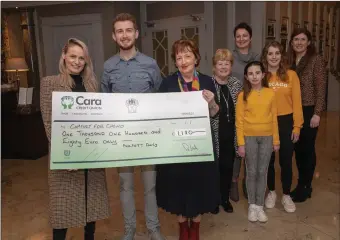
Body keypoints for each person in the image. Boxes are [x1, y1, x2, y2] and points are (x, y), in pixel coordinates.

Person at [101, 13, 165, 240]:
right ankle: (129, 231)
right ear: (114, 36)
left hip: (147, 137)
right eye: (120, 31)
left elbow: (159, 97)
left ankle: (153, 229)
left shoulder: (150, 64)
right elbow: (105, 101)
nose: (125, 35)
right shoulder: (108, 67)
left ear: (136, 34)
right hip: (122, 140)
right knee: (126, 187)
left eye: (129, 30)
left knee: (149, 188)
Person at [40, 38, 111, 240]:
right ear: (64, 56)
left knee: (91, 209)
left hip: (91, 158)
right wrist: (65, 156)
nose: (77, 62)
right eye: (73, 56)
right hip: (65, 161)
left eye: (81, 58)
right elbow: (49, 123)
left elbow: (98, 119)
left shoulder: (91, 83)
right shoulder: (49, 83)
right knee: (62, 213)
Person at [156, 39, 220, 240]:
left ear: (196, 58)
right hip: (176, 146)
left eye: (187, 56)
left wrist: (212, 103)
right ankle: (183, 226)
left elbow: (215, 113)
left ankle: (196, 227)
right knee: (179, 185)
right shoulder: (167, 84)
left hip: (202, 144)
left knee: (199, 184)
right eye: (179, 57)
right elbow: (160, 114)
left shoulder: (208, 82)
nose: (183, 61)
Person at [261, 41, 304, 213]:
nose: (273, 57)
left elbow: (297, 103)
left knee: (286, 160)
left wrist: (297, 127)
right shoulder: (262, 76)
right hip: (266, 122)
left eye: (277, 53)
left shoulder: (291, 75)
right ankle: (271, 191)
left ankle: (286, 194)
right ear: (265, 56)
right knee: (269, 161)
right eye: (270, 54)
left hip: (286, 122)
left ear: (281, 56)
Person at [235, 61, 280, 223]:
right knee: (251, 171)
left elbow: (274, 118)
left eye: (257, 73)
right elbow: (239, 121)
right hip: (249, 138)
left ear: (263, 75)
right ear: (246, 77)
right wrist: (241, 143)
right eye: (251, 73)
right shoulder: (243, 96)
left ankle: (260, 206)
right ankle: (252, 205)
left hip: (267, 137)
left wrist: (276, 140)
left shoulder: (270, 94)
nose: (254, 76)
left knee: (263, 171)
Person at [287, 28, 327, 202]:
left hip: (309, 109)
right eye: (296, 39)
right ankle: (301, 183)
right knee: (297, 148)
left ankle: (306, 185)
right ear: (291, 42)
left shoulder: (315, 60)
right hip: (292, 110)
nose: (299, 42)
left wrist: (317, 113)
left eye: (303, 39)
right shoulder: (289, 61)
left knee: (307, 149)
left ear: (309, 42)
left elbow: (321, 88)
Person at [231, 22, 261, 201]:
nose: (241, 39)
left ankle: (247, 181)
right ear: (235, 39)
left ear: (250, 38)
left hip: (253, 108)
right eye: (238, 36)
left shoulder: (257, 58)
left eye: (244, 36)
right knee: (237, 146)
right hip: (234, 107)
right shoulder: (230, 57)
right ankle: (233, 180)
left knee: (251, 146)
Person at [210, 49, 242, 213]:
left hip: (231, 133)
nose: (223, 67)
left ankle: (224, 199)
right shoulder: (208, 84)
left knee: (228, 168)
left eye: (227, 63)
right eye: (220, 63)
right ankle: (214, 200)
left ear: (231, 66)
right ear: (214, 66)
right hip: (213, 134)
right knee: (214, 169)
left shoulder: (236, 84)